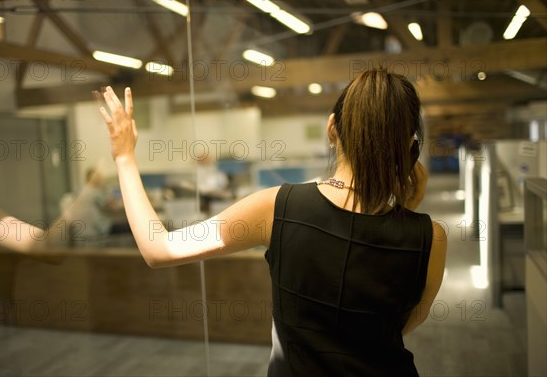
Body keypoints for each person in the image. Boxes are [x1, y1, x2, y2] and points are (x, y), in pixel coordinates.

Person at [98, 68, 447, 376]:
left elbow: (158, 248)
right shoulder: (431, 238)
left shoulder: (279, 207)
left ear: (331, 128)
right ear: (410, 147)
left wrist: (125, 157)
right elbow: (398, 326)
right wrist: (404, 210)